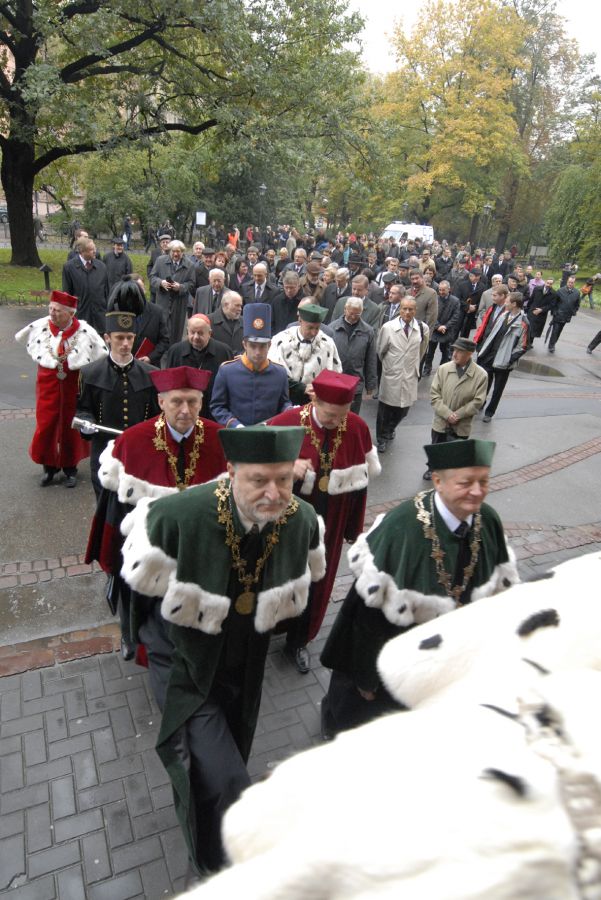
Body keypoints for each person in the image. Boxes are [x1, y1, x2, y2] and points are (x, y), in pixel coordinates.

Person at [120, 425, 326, 879]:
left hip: (242, 659)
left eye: (284, 479)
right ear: (231, 471)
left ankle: (215, 847)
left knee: (231, 753)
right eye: (258, 480)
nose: (274, 493)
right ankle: (215, 866)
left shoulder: (302, 519)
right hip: (183, 660)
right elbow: (136, 591)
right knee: (224, 774)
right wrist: (142, 645)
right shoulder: (178, 515)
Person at [320, 438, 519, 739]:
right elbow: (368, 619)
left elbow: (500, 593)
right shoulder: (402, 527)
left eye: (484, 481)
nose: (477, 491)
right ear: (438, 481)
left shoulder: (488, 519)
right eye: (466, 483)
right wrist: (367, 678)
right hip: (395, 651)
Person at [86, 366, 227, 660]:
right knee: (136, 594)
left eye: (193, 401)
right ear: (161, 402)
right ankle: (131, 634)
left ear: (202, 402)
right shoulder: (132, 441)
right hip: (147, 544)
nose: (186, 410)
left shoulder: (220, 438)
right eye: (177, 401)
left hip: (197, 546)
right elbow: (115, 509)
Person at [269, 371, 380, 673]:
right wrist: (284, 468)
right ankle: (270, 626)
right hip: (288, 523)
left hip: (332, 521)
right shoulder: (285, 423)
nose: (336, 422)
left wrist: (353, 529)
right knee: (280, 577)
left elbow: (361, 483)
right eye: (330, 416)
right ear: (314, 400)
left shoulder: (355, 426)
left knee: (318, 583)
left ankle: (299, 640)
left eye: (342, 416)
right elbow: (251, 468)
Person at [15, 290, 107, 487]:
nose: (52, 313)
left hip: (73, 389)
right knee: (47, 425)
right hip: (47, 388)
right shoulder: (41, 328)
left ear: (70, 313)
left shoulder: (84, 332)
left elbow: (101, 354)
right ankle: (49, 468)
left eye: (57, 310)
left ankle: (69, 469)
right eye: (50, 309)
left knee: (70, 426)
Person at [76, 310, 160, 496]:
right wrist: (85, 423)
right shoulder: (90, 373)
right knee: (105, 504)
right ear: (107, 338)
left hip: (139, 450)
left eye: (130, 338)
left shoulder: (151, 373)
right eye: (119, 338)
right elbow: (83, 408)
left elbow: (157, 415)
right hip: (103, 449)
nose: (125, 344)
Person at [210, 303, 291, 427]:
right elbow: (217, 406)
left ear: (269, 345)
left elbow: (283, 402)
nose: (257, 352)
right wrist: (234, 424)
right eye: (253, 346)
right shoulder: (227, 371)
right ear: (244, 345)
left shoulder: (279, 373)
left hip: (268, 437)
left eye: (262, 346)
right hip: (236, 437)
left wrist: (289, 410)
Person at [423, 338, 488, 480]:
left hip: (462, 424)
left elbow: (478, 401)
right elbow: (434, 395)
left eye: (460, 351)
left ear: (470, 354)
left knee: (456, 452)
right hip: (441, 420)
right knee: (436, 447)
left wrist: (458, 415)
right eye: (454, 350)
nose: (454, 354)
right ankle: (432, 469)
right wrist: (447, 414)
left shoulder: (481, 375)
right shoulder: (443, 369)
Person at [375, 296, 429, 453]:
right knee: (385, 408)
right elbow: (380, 351)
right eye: (404, 308)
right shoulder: (388, 327)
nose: (407, 312)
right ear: (399, 309)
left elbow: (422, 350)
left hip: (410, 374)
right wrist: (391, 365)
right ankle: (381, 437)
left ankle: (391, 428)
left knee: (404, 409)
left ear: (415, 311)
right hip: (392, 373)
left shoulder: (422, 328)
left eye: (410, 309)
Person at [268, 303, 342, 405]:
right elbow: (273, 373)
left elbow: (335, 374)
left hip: (315, 401)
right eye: (310, 327)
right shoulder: (281, 340)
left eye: (317, 328)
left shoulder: (327, 344)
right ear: (300, 321)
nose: (314, 333)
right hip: (286, 399)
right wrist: (301, 388)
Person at [163, 314, 232, 419]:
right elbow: (168, 385)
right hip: (184, 412)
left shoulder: (224, 351)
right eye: (192, 332)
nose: (195, 337)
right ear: (187, 331)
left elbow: (229, 386)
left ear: (209, 333)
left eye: (200, 333)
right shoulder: (175, 351)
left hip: (213, 412)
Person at [475, 292, 530, 423]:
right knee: (484, 384)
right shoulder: (504, 315)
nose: (505, 303)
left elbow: (523, 346)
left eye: (507, 301)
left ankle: (490, 412)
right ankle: (481, 404)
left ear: (514, 304)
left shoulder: (524, 323)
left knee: (498, 389)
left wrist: (509, 359)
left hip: (504, 362)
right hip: (490, 356)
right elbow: (492, 333)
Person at [108, 275, 170, 367]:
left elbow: (164, 340)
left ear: (144, 290)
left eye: (140, 288)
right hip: (124, 365)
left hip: (150, 367)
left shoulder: (157, 312)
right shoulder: (118, 312)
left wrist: (150, 358)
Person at [330, 298, 377, 414]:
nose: (354, 317)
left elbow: (371, 360)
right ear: (345, 310)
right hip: (335, 381)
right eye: (351, 313)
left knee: (352, 417)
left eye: (357, 314)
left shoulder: (368, 331)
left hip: (355, 383)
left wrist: (370, 384)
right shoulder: (332, 328)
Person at [150, 240, 195, 346]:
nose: (175, 254)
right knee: (161, 330)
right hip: (163, 301)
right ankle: (161, 355)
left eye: (178, 252)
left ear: (182, 252)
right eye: (173, 251)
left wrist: (181, 287)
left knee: (176, 333)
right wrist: (161, 283)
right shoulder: (160, 261)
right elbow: (152, 277)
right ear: (169, 251)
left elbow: (192, 284)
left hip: (179, 304)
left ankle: (174, 354)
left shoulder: (190, 265)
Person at [62, 237, 109, 334]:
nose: (94, 252)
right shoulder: (69, 267)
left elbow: (107, 291)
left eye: (94, 248)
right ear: (82, 251)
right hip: (81, 315)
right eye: (91, 250)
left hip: (100, 317)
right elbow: (67, 293)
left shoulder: (101, 267)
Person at [421, 280, 462, 376]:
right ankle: (427, 369)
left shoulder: (455, 301)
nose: (441, 292)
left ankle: (442, 370)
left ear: (449, 289)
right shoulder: (434, 299)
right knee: (430, 351)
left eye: (443, 290)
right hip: (435, 330)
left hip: (447, 330)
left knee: (445, 352)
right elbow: (430, 314)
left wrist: (446, 326)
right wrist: (437, 326)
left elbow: (456, 317)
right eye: (440, 290)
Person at [547, 275, 580, 354]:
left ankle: (553, 343)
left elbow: (577, 304)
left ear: (574, 283)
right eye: (569, 282)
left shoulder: (577, 292)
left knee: (559, 331)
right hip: (558, 315)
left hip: (566, 316)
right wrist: (554, 312)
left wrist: (573, 312)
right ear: (567, 282)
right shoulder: (560, 291)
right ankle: (551, 346)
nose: (570, 284)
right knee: (555, 330)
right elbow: (554, 303)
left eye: (572, 283)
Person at [526, 277, 557, 342]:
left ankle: (530, 343)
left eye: (550, 284)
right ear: (545, 282)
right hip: (532, 311)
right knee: (528, 327)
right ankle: (524, 342)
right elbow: (531, 299)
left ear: (552, 284)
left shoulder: (553, 293)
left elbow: (552, 305)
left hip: (541, 314)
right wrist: (527, 308)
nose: (548, 285)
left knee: (535, 330)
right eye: (547, 283)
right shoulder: (537, 289)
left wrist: (542, 309)